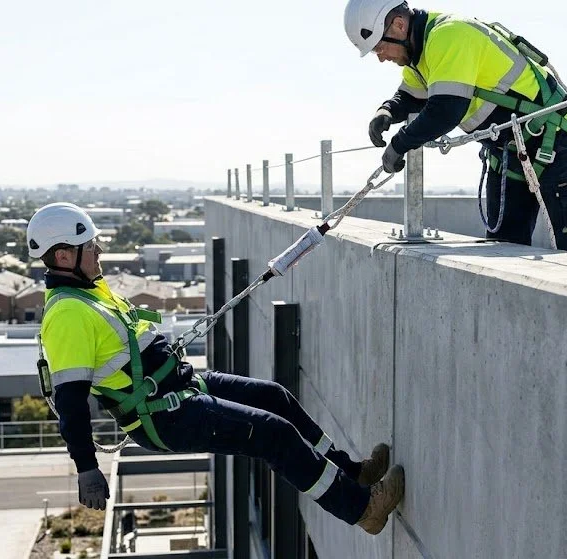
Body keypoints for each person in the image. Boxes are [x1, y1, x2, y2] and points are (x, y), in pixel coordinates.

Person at [27, 202, 405, 535]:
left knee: (275, 397)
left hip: (180, 388)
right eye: (91, 247)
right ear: (63, 256)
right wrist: (86, 466)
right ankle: (361, 510)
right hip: (163, 415)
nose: (98, 254)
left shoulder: (90, 293)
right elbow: (71, 400)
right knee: (274, 435)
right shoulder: (67, 313)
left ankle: (351, 472)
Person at [344, 0, 567, 256]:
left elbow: (446, 110)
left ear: (399, 25)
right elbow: (410, 96)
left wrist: (399, 145)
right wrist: (387, 111)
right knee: (505, 248)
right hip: (509, 153)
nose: (381, 58)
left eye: (379, 48)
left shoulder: (449, 36)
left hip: (555, 142)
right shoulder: (419, 56)